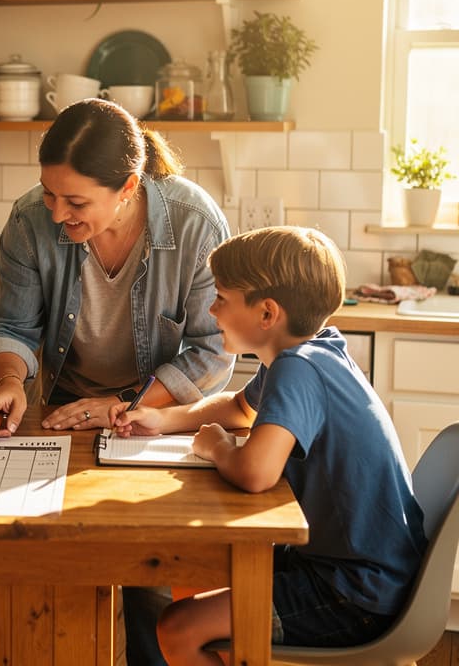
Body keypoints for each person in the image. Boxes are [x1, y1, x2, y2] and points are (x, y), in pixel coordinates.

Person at [0, 98, 233, 664]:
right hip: (64, 413)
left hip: (152, 418)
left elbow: (214, 353)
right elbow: (11, 327)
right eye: (48, 193)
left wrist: (121, 405)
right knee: (51, 566)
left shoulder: (195, 223)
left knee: (146, 575)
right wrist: (11, 381)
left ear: (128, 187)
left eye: (75, 201)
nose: (56, 211)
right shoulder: (28, 221)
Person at [112, 226, 427, 664]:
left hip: (354, 592)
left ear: (266, 314)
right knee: (195, 576)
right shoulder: (314, 351)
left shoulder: (298, 369)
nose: (211, 308)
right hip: (356, 569)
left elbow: (256, 473)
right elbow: (240, 407)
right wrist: (164, 419)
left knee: (177, 628)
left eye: (221, 297)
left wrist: (218, 447)